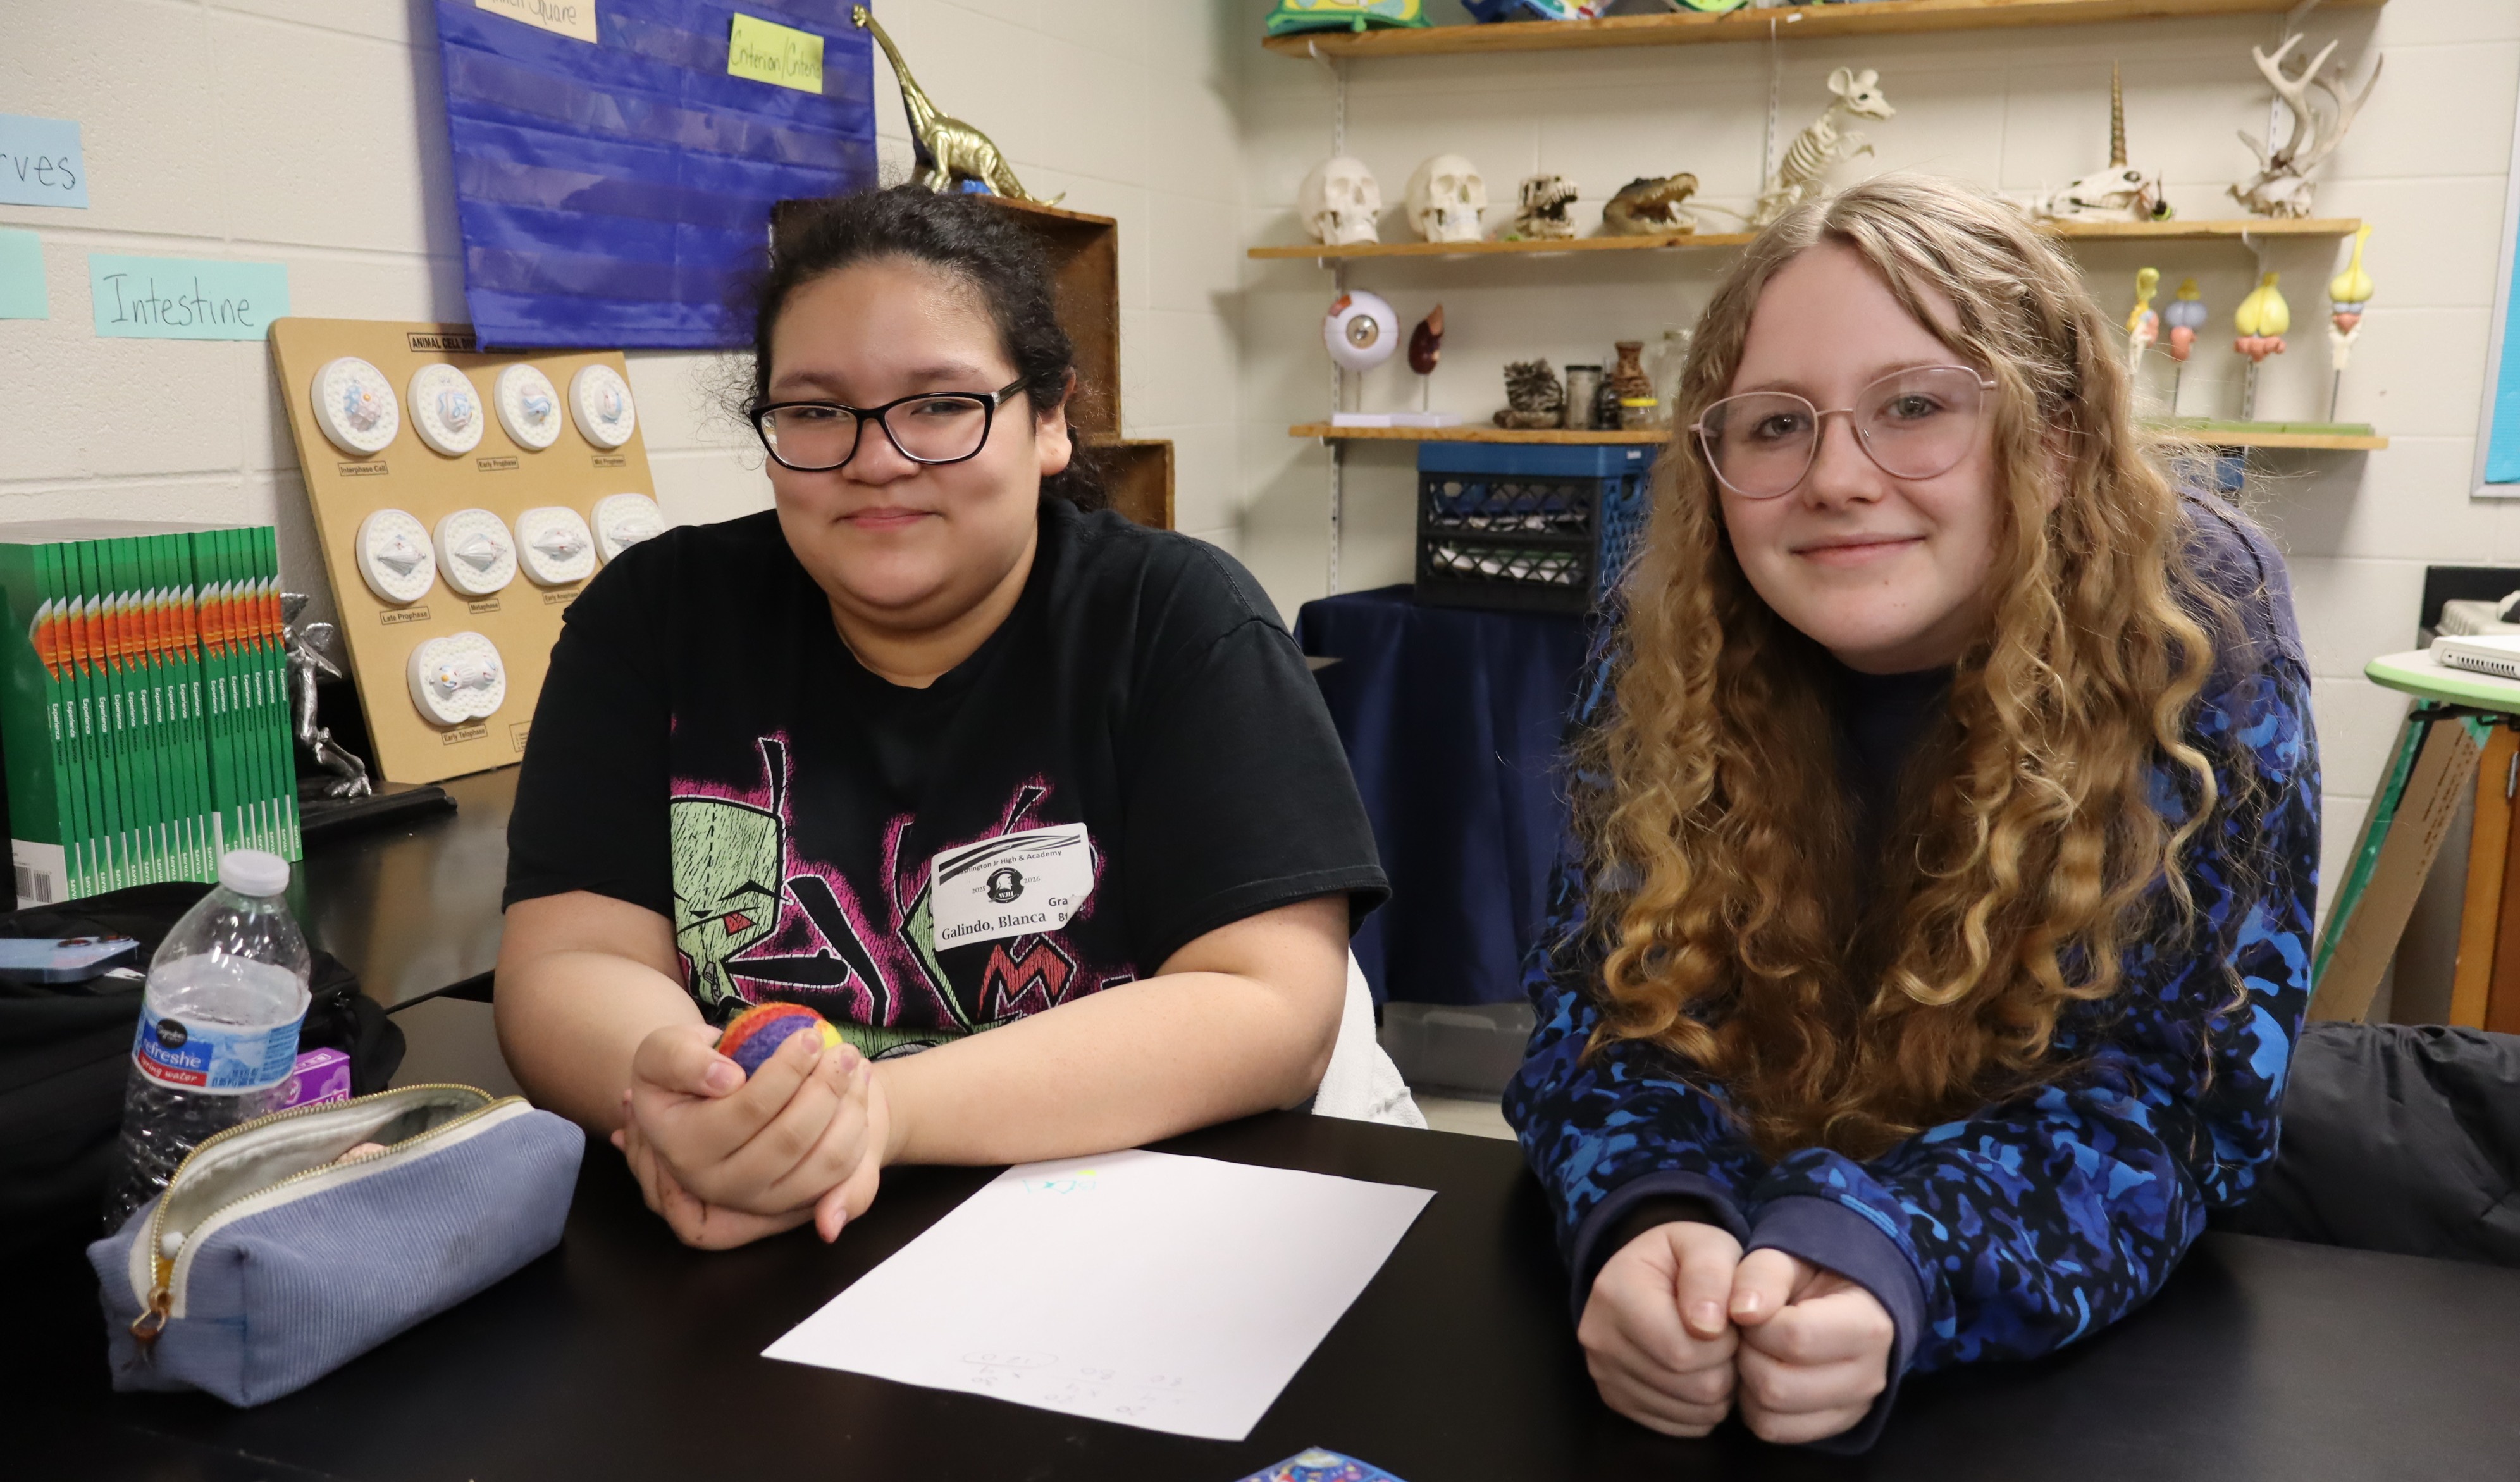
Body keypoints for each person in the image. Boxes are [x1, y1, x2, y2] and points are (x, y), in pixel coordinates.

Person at [1505, 174, 2318, 1451]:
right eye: (1773, 425)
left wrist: (1906, 1247)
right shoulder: (1681, 626)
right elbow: (1601, 1010)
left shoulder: (2193, 631)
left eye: (1916, 406)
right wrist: (1649, 1205)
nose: (1834, 476)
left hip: (2046, 1378)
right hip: (1730, 1303)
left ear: (2050, 438)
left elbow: (2188, 1096)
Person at [497, 186, 1389, 1250]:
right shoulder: (656, 619)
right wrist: (677, 1093)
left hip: (1127, 1234)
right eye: (817, 411)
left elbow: (1270, 1009)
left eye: (939, 405)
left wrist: (873, 1115)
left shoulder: (1179, 622)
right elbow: (565, 963)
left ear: (1050, 418)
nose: (877, 458)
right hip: (768, 1239)